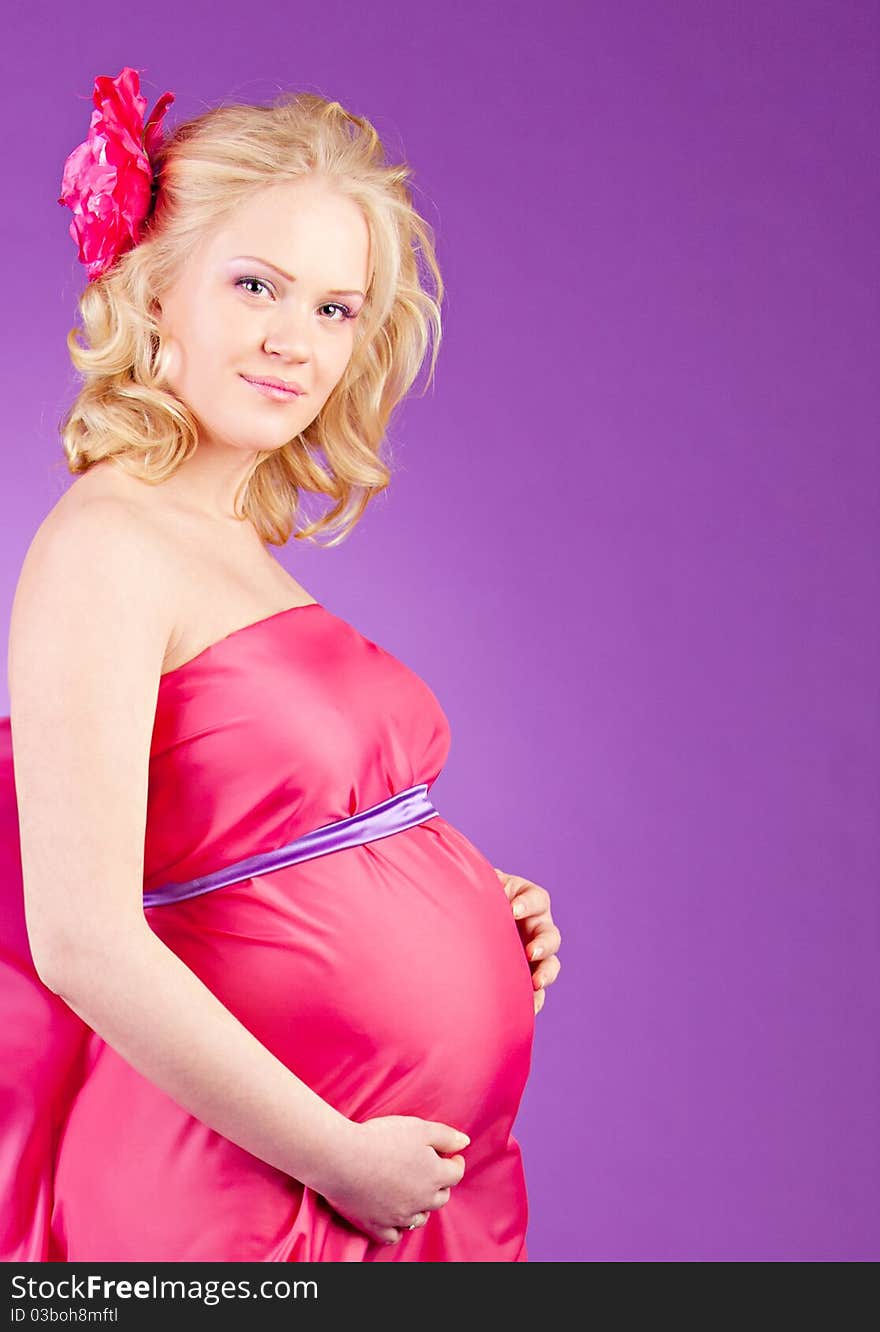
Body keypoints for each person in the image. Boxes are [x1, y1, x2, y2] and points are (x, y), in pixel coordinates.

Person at [0, 68, 562, 1262]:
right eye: (255, 284)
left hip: (368, 1175)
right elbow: (83, 939)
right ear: (155, 292)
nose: (292, 343)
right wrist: (336, 1156)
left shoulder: (228, 548)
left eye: (334, 309)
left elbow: (248, 843)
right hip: (245, 1187)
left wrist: (462, 896)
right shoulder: (107, 543)